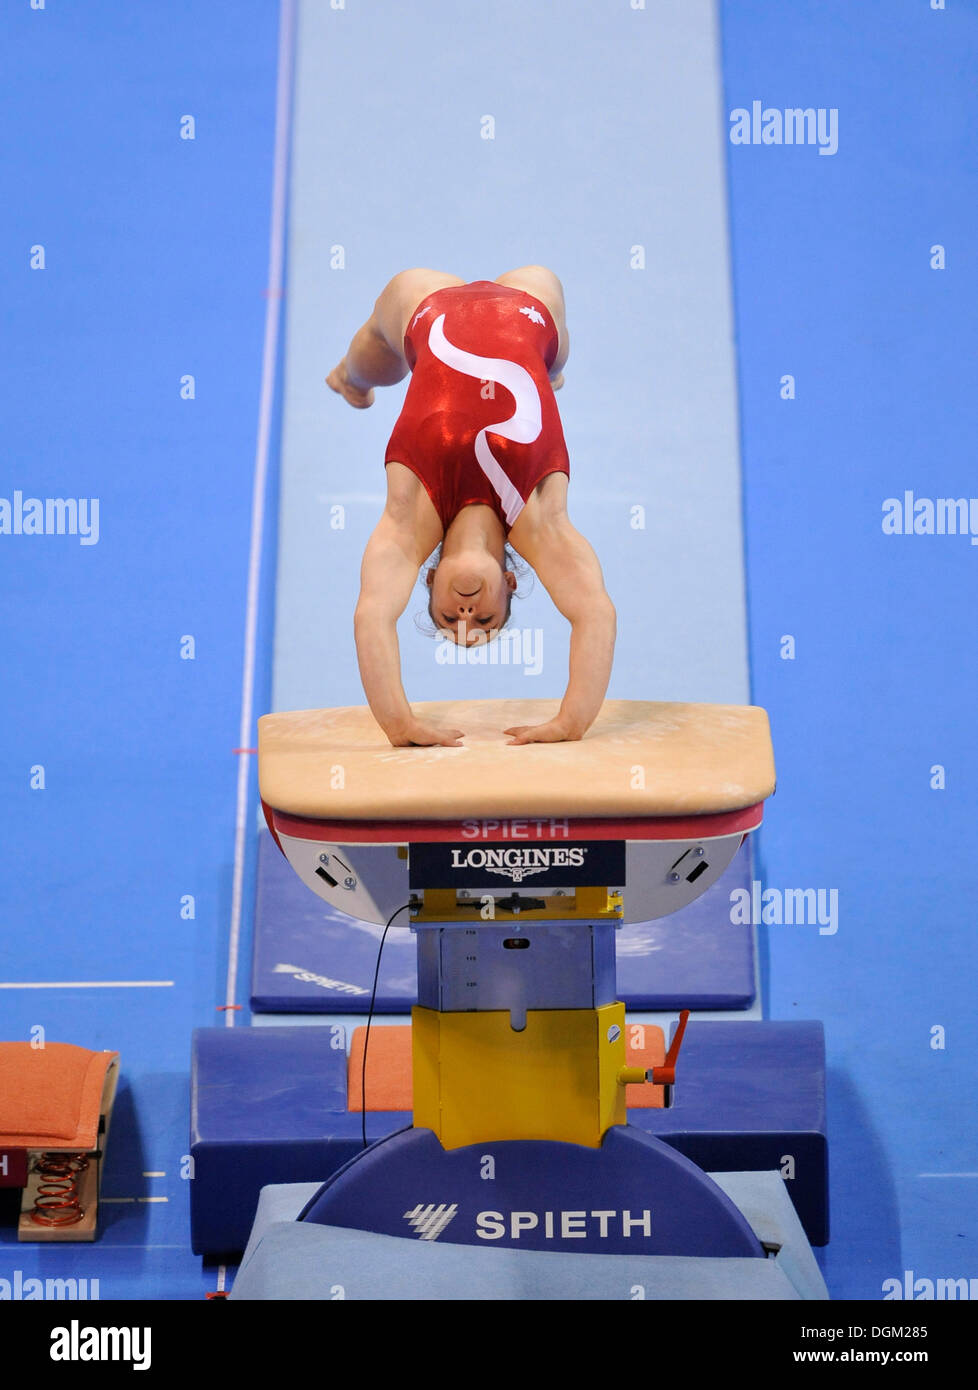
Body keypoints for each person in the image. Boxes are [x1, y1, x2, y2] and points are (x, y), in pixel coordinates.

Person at [327, 265, 616, 748]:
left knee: (369, 360)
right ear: (508, 585)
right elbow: (595, 613)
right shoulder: (539, 518)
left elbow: (372, 614)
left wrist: (399, 724)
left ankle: (347, 379)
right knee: (551, 345)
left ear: (429, 580)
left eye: (447, 620)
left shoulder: (409, 518)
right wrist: (571, 722)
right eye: (484, 620)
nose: (465, 614)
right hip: (529, 302)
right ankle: (553, 371)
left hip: (425, 301)